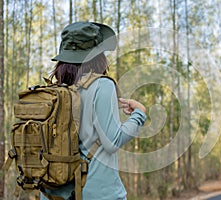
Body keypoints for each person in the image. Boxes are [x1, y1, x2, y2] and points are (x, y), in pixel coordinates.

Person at [40, 21, 147, 200]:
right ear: (98, 56)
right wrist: (139, 114)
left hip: (52, 193)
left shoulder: (52, 92)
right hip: (97, 194)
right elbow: (112, 142)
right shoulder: (102, 86)